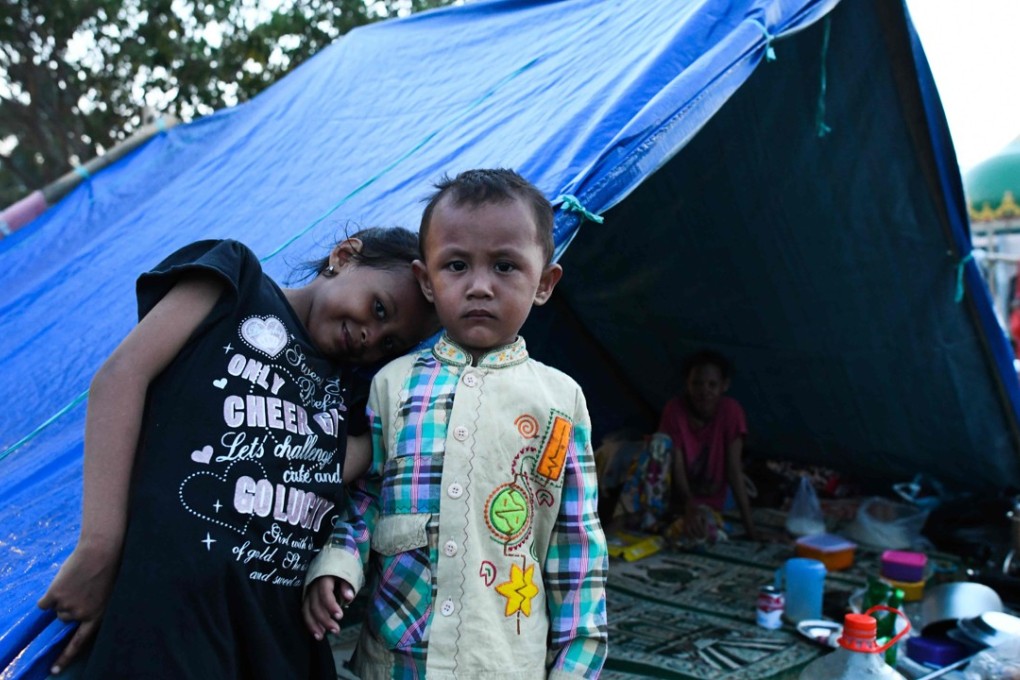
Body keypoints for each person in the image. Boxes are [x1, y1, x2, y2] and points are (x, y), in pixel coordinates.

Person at [37, 228, 438, 679]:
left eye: (389, 344)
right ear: (344, 256)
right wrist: (99, 547)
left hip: (278, 649)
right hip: (169, 624)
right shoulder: (237, 283)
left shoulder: (347, 397)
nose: (372, 336)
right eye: (379, 309)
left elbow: (367, 455)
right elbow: (122, 376)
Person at [303, 169, 609, 679]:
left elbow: (575, 544)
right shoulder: (392, 386)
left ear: (545, 283)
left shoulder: (559, 402)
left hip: (504, 662)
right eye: (457, 265)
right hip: (398, 660)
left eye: (506, 266)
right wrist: (337, 563)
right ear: (427, 281)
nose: (480, 287)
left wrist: (576, 663)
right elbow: (365, 498)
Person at [658, 349, 758, 541]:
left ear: (724, 386)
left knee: (702, 532)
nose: (704, 391)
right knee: (657, 444)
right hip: (676, 497)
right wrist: (689, 506)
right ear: (687, 384)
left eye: (712, 385)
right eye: (697, 384)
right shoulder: (675, 411)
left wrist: (750, 529)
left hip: (709, 501)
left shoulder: (731, 412)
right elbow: (676, 466)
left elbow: (734, 471)